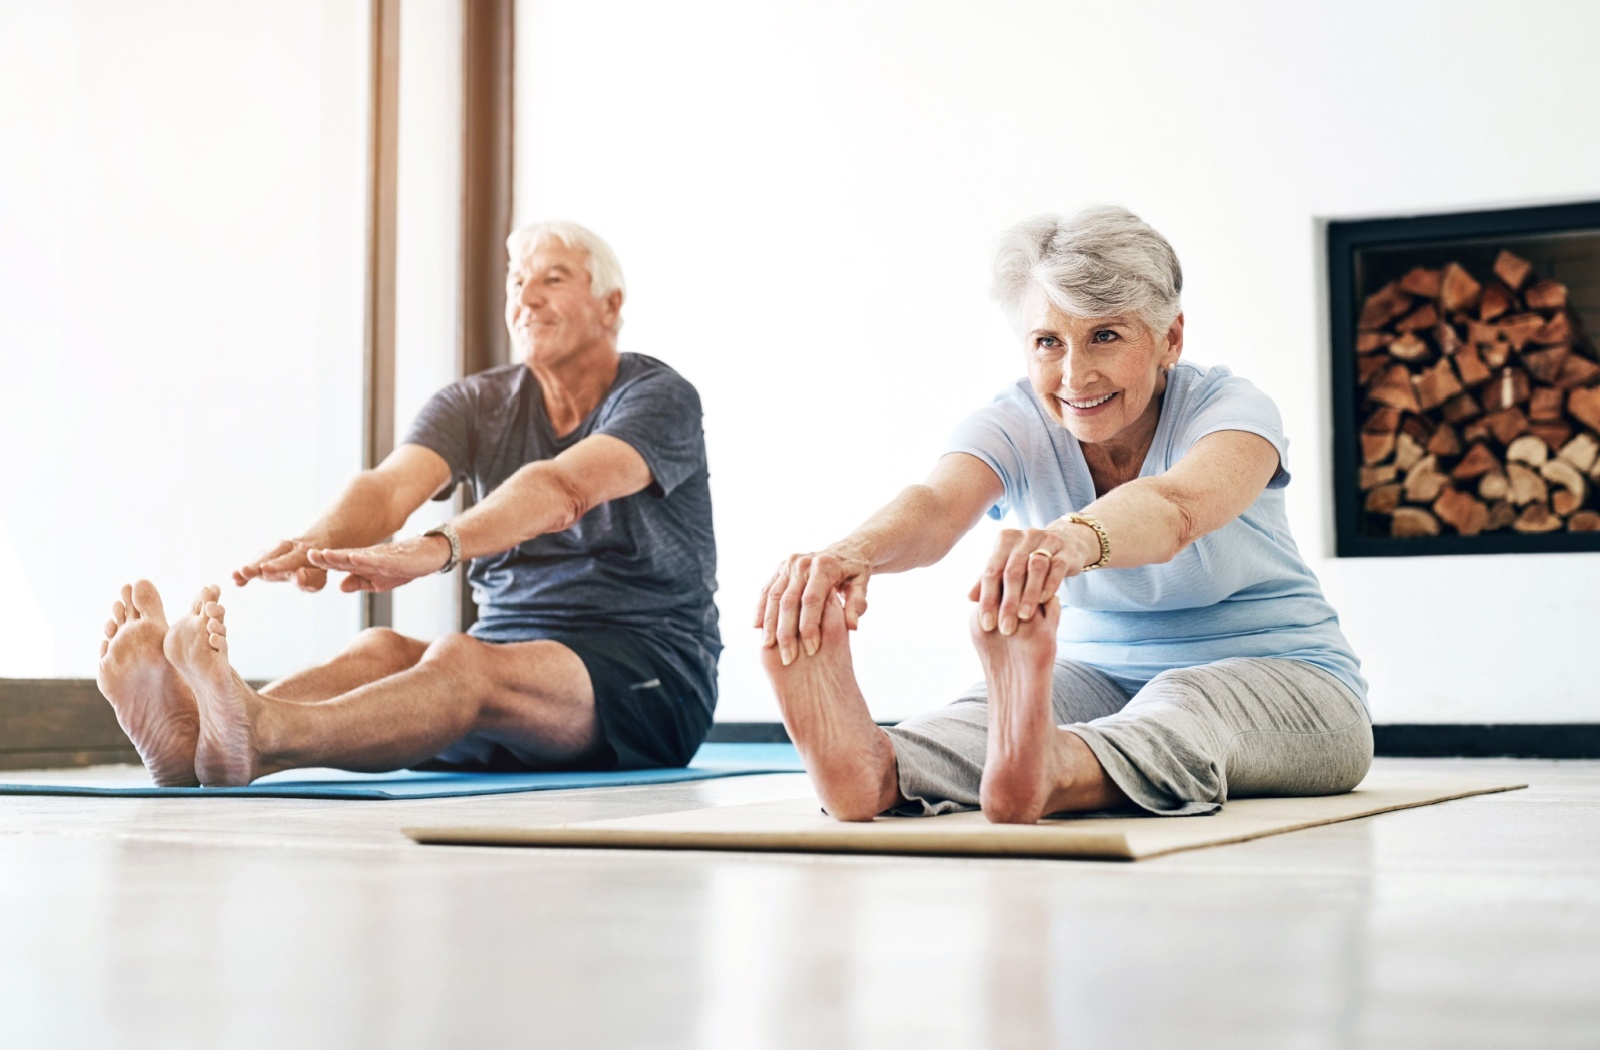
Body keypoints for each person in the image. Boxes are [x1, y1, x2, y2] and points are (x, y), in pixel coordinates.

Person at [757, 206, 1370, 824]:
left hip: (1292, 677)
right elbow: (939, 505)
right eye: (1049, 342)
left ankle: (1056, 768)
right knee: (984, 718)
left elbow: (1176, 509)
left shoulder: (1232, 410)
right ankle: (876, 769)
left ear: (1170, 338)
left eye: (1105, 335)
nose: (1075, 375)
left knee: (1182, 702)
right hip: (1093, 675)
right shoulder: (1017, 420)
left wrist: (1072, 539)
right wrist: (851, 553)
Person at [96, 222, 719, 787]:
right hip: (505, 663)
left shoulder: (659, 398)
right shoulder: (477, 402)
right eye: (518, 280)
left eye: (552, 280)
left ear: (610, 305)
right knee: (381, 649)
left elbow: (562, 490)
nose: (525, 298)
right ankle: (205, 736)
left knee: (463, 662)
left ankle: (259, 735)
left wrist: (435, 549)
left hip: (647, 678)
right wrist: (317, 543)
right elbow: (390, 487)